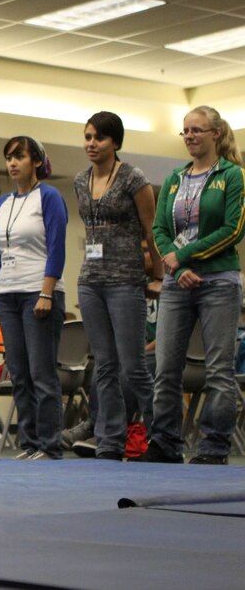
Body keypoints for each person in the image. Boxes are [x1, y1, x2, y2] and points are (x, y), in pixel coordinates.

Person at [138, 106, 244, 465]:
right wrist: (171, 260)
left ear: (216, 134)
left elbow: (232, 229)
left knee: (218, 369)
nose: (190, 137)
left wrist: (182, 258)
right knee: (166, 366)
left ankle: (214, 447)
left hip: (219, 282)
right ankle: (166, 443)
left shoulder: (233, 176)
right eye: (185, 131)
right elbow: (159, 231)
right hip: (176, 283)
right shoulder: (173, 179)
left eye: (197, 130)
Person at [73, 112, 161, 461]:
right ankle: (109, 441)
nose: (91, 144)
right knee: (104, 366)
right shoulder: (80, 180)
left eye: (99, 138)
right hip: (90, 281)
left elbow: (151, 229)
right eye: (88, 137)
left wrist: (157, 275)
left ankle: (162, 436)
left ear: (115, 143)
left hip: (126, 279)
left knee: (133, 365)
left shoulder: (132, 178)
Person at [0, 137, 67, 460]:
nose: (13, 163)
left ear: (37, 161)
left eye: (20, 156)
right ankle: (29, 443)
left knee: (42, 372)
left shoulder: (50, 197)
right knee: (19, 372)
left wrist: (46, 292)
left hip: (38, 294)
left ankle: (50, 444)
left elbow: (57, 248)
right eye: (8, 158)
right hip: (8, 297)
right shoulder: (0, 205)